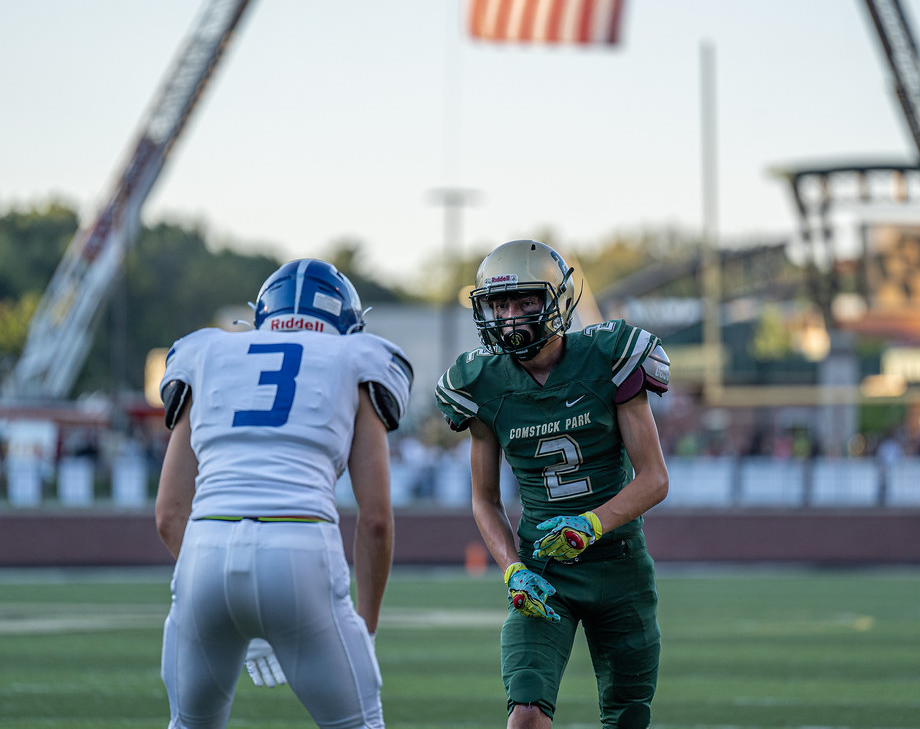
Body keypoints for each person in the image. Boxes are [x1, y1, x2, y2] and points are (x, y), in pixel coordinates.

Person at [155, 258, 413, 729]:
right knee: (359, 723)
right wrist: (365, 627)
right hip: (299, 545)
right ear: (346, 323)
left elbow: (169, 515)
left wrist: (228, 602)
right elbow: (375, 520)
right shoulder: (355, 358)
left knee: (191, 724)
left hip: (205, 549)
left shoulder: (206, 352)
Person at [435, 240, 670, 729]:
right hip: (544, 572)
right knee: (524, 714)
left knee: (627, 719)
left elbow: (654, 479)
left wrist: (590, 524)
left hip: (618, 565)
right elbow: (484, 499)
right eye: (499, 304)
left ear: (558, 301)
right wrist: (512, 569)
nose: (511, 316)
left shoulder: (607, 356)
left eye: (525, 302)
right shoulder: (481, 381)